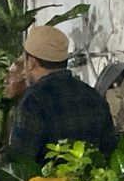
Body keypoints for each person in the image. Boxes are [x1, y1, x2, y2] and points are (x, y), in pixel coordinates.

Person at [7, 25, 117, 164]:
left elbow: (20, 162)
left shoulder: (33, 101)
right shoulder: (93, 96)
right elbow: (109, 152)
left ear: (31, 62)